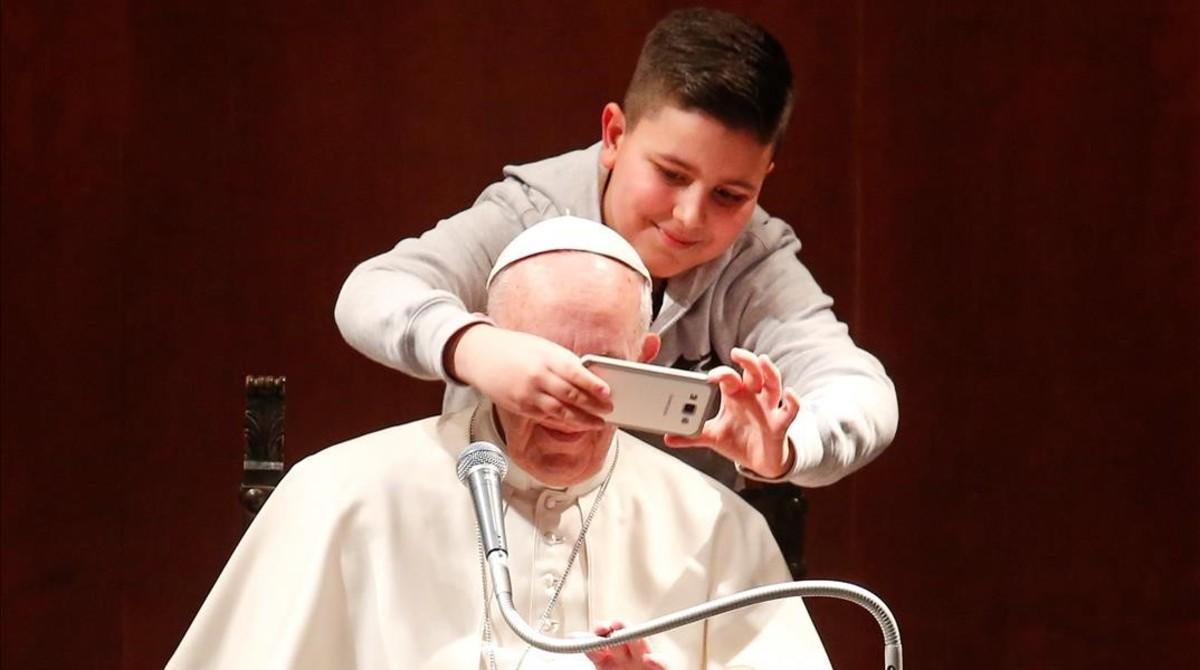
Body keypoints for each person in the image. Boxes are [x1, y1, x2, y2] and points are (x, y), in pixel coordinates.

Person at [167, 220, 831, 669]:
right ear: (492, 346)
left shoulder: (716, 530)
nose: (568, 396)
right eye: (544, 362)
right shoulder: (339, 495)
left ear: (647, 356)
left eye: (600, 367)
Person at [334, 7, 897, 489]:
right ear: (614, 136)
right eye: (671, 173)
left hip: (663, 574)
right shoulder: (527, 217)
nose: (689, 216)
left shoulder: (751, 261)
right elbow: (370, 291)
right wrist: (475, 348)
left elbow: (861, 392)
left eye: (730, 194)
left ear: (765, 178)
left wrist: (788, 445)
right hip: (493, 539)